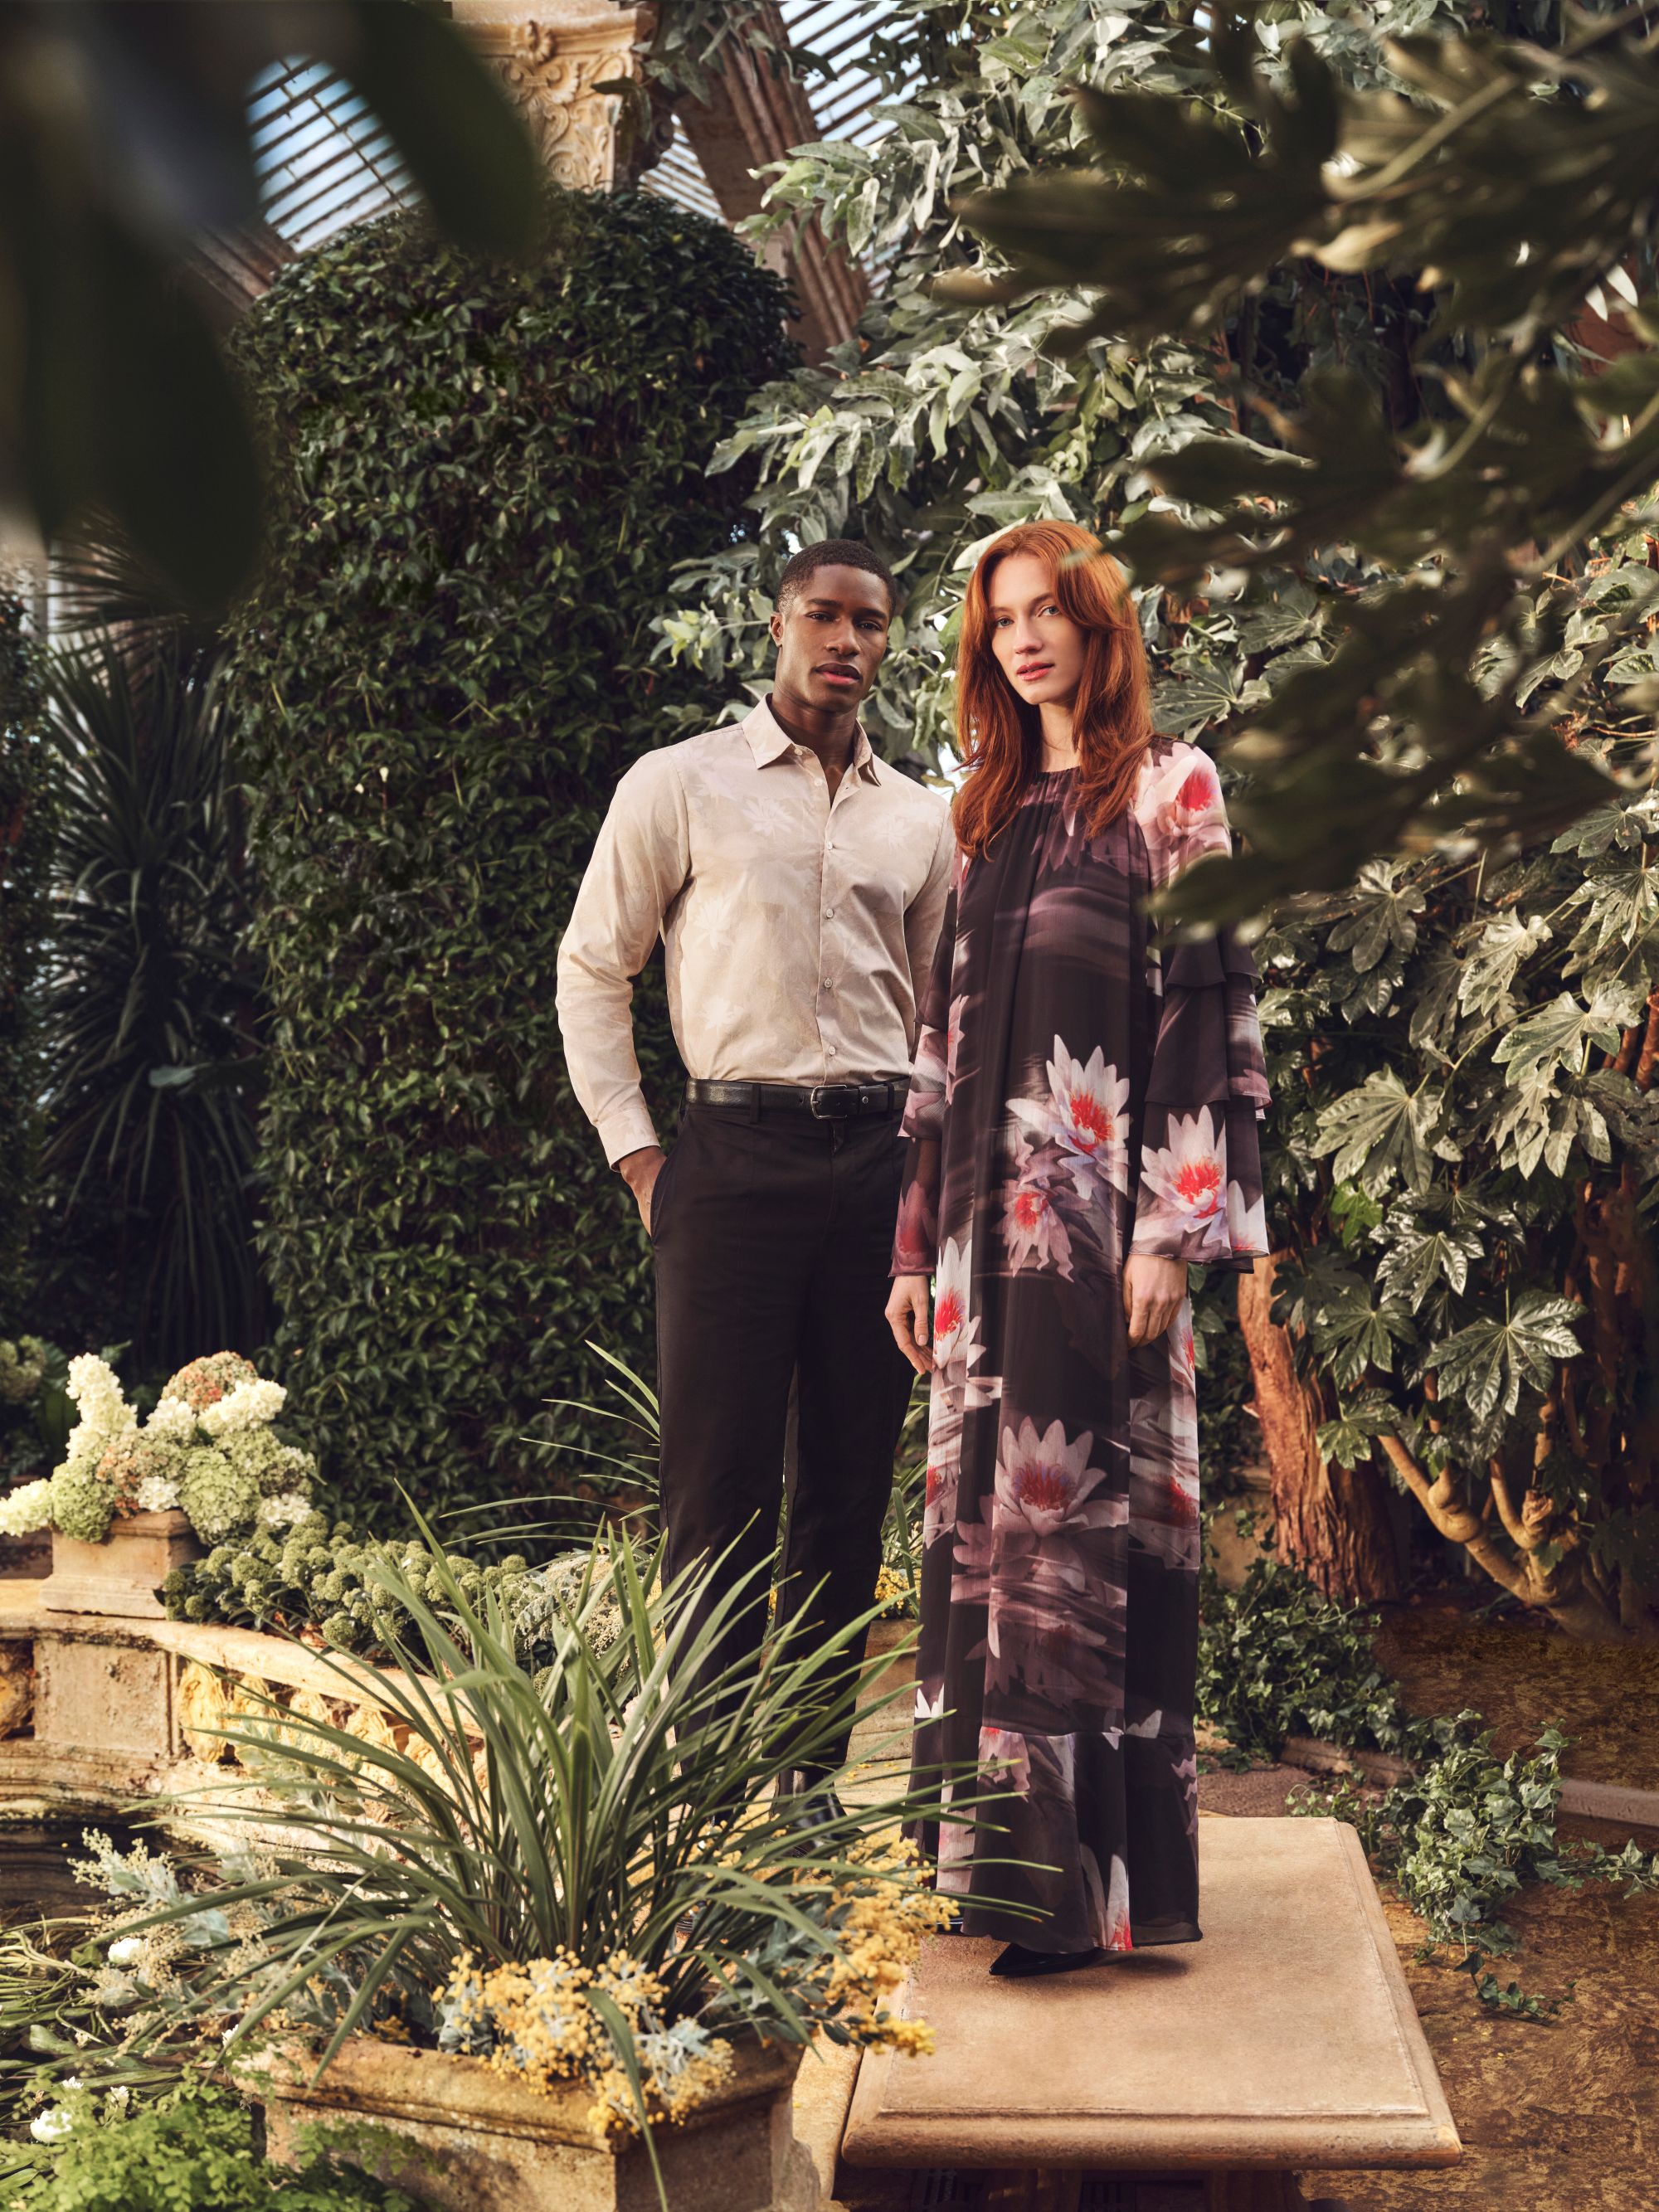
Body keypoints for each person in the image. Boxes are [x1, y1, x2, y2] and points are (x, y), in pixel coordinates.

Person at [884, 519, 1269, 1977]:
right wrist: (915, 1252)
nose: (1025, 639)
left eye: (1050, 613)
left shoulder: (1174, 791)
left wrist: (1176, 1227)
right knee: (990, 1537)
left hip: (1105, 1233)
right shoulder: (979, 809)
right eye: (1000, 621)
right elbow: (943, 1048)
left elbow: (1208, 1010)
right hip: (984, 1254)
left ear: (1101, 630)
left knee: (1075, 1539)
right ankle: (988, 1880)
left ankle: (1075, 1894)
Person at [557, 537, 953, 1819]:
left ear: (889, 643)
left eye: (871, 624)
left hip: (877, 1165)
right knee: (714, 1484)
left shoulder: (922, 818)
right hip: (727, 1163)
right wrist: (639, 1155)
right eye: (825, 618)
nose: (848, 642)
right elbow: (591, 966)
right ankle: (709, 1781)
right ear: (779, 627)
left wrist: (928, 1183)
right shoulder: (680, 786)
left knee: (845, 1482)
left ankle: (809, 1775)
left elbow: (945, 1008)